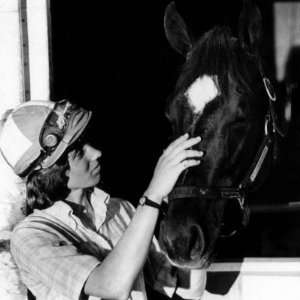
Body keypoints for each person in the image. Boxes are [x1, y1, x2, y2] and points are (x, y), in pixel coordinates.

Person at [0, 99, 206, 300]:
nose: (96, 153)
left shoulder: (121, 209)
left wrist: (189, 203)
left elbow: (185, 289)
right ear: (49, 170)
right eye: (79, 151)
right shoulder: (30, 236)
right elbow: (111, 285)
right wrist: (153, 195)